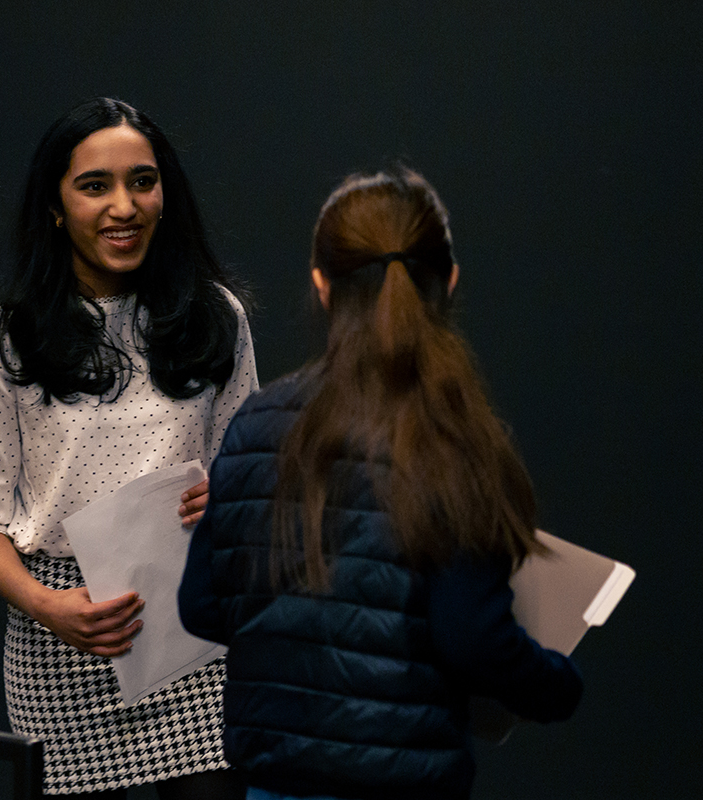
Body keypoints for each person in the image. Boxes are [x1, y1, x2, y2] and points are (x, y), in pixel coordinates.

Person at [178, 167, 583, 800]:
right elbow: (471, 637)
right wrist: (557, 685)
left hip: (273, 784)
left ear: (321, 284)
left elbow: (200, 606)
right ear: (448, 279)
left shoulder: (255, 423)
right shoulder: (458, 438)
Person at [0, 97, 257, 799]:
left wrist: (234, 497)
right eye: (95, 186)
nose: (124, 205)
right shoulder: (2, 340)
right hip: (62, 647)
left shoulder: (215, 316)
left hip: (195, 640)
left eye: (143, 181)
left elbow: (248, 470)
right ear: (55, 205)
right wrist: (47, 606)